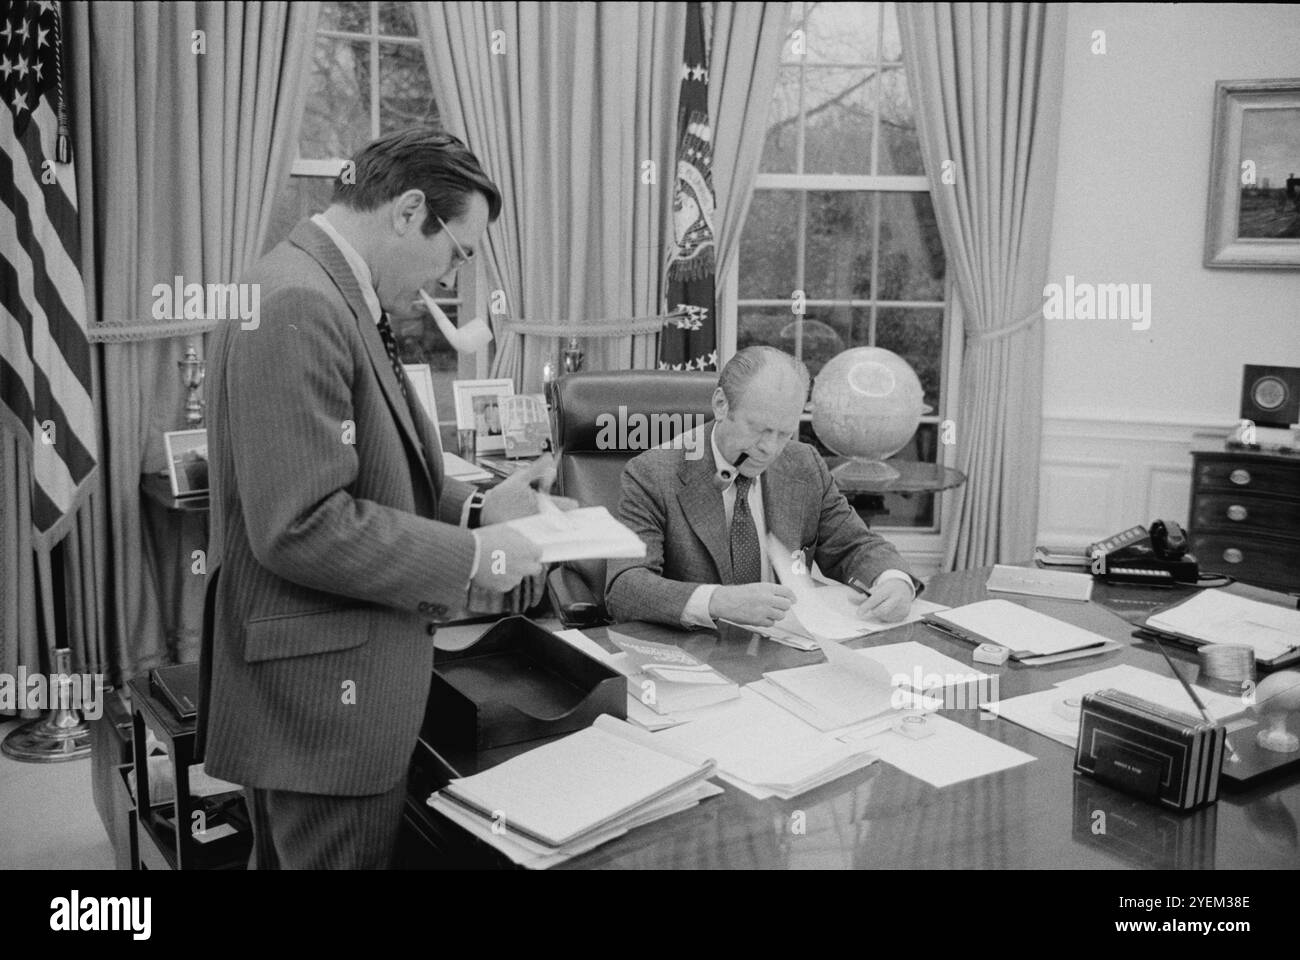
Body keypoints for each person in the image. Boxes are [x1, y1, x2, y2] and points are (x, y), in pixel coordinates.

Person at [198, 127, 567, 869]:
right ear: (406, 212)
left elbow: (367, 471)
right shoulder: (299, 302)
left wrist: (474, 510)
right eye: (456, 253)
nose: (446, 277)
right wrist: (476, 556)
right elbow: (301, 525)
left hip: (323, 687)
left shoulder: (317, 287)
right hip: (323, 706)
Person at [605, 346, 920, 630]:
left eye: (784, 433)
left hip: (791, 647)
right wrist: (719, 601)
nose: (770, 448)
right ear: (721, 404)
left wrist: (894, 580)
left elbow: (854, 545)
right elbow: (625, 587)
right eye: (758, 429)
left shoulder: (804, 464)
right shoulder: (653, 473)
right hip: (703, 650)